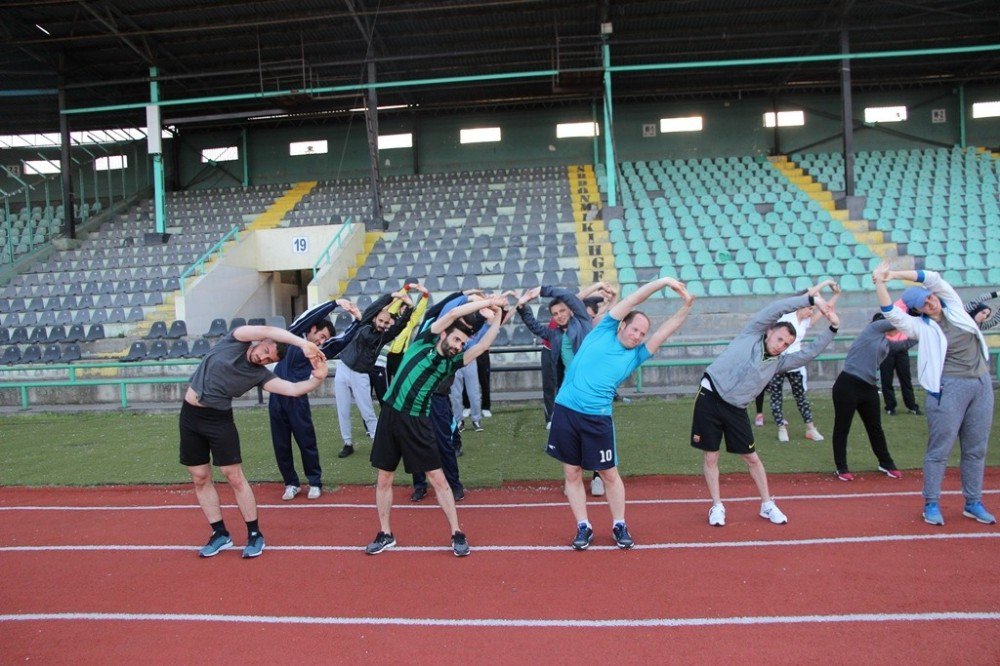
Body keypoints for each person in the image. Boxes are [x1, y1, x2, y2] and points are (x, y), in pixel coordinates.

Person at [541, 276, 694, 551]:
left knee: (609, 474)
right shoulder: (603, 330)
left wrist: (685, 307)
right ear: (623, 324)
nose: (637, 336)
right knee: (572, 473)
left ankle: (619, 524)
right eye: (634, 329)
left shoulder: (637, 355)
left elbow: (665, 332)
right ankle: (583, 527)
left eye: (642, 333)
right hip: (566, 410)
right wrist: (662, 282)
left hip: (597, 418)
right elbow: (635, 299)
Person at [365, 294, 510, 558]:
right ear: (444, 336)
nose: (459, 346)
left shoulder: (451, 363)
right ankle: (385, 533)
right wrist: (486, 302)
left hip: (417, 420)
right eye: (456, 340)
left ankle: (457, 533)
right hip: (390, 415)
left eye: (462, 343)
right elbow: (454, 315)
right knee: (384, 477)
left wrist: (497, 316)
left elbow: (483, 345)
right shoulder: (424, 341)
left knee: (439, 480)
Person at [692, 281, 839, 527]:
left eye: (785, 344)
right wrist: (811, 301)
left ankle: (767, 504)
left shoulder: (779, 363)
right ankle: (717, 506)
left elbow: (809, 353)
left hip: (736, 408)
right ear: (770, 331)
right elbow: (777, 308)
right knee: (711, 456)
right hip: (710, 396)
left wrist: (833, 328)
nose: (780, 345)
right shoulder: (752, 332)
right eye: (779, 338)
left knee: (752, 458)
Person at [181, 325, 329, 558]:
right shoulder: (235, 340)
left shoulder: (259, 374)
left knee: (234, 476)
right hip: (190, 416)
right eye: (266, 349)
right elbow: (268, 328)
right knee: (200, 477)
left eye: (269, 358)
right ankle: (220, 534)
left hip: (219, 420)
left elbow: (291, 389)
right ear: (261, 341)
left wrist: (316, 379)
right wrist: (303, 344)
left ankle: (254, 534)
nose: (263, 356)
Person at [873, 264, 995, 526]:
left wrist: (894, 274)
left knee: (976, 449)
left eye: (930, 297)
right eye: (923, 302)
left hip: (981, 384)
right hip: (949, 389)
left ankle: (973, 502)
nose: (931, 302)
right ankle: (931, 503)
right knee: (939, 450)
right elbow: (891, 313)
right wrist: (880, 283)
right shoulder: (919, 327)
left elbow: (934, 279)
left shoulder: (955, 306)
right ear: (917, 310)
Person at [517, 280, 613, 494]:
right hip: (569, 392)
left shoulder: (583, 322)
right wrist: (522, 306)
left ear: (570, 310)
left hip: (591, 389)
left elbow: (569, 297)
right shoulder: (554, 334)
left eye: (562, 311)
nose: (559, 315)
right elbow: (534, 326)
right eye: (555, 313)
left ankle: (597, 477)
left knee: (594, 435)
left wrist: (542, 290)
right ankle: (573, 480)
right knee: (569, 436)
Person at [269, 299, 362, 501]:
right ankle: (291, 483)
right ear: (312, 329)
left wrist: (357, 321)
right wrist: (334, 303)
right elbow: (310, 315)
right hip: (276, 398)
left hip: (297, 399)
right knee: (281, 444)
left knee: (306, 441)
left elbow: (342, 341)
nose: (321, 342)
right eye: (321, 336)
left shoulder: (319, 351)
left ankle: (314, 482)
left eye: (324, 339)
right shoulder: (293, 335)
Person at [334, 286, 419, 458]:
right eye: (381, 320)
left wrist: (409, 307)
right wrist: (392, 295)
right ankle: (347, 443)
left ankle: (377, 443)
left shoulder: (385, 336)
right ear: (375, 318)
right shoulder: (365, 322)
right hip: (343, 368)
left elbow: (402, 324)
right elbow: (375, 306)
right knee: (342, 410)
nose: (382, 324)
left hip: (360, 375)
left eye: (386, 323)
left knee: (368, 412)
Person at [831, 313, 917, 481]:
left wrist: (922, 333)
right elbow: (895, 320)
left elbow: (903, 345)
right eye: (895, 327)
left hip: (868, 387)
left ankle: (886, 463)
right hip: (848, 384)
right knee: (842, 427)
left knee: (875, 428)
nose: (897, 330)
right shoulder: (871, 330)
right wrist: (912, 317)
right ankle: (841, 467)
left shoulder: (885, 343)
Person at [767, 282, 840, 442]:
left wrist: (836, 295)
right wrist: (825, 283)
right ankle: (781, 428)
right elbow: (808, 295)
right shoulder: (788, 316)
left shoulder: (805, 322)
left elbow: (825, 309)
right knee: (776, 396)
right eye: (810, 308)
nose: (811, 312)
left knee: (801, 396)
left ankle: (810, 428)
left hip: (794, 362)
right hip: (778, 361)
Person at [879, 298, 922, 416]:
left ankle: (912, 406)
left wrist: (905, 345)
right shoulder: (890, 312)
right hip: (887, 352)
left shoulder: (908, 314)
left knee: (906, 379)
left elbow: (914, 333)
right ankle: (890, 407)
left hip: (902, 351)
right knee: (887, 380)